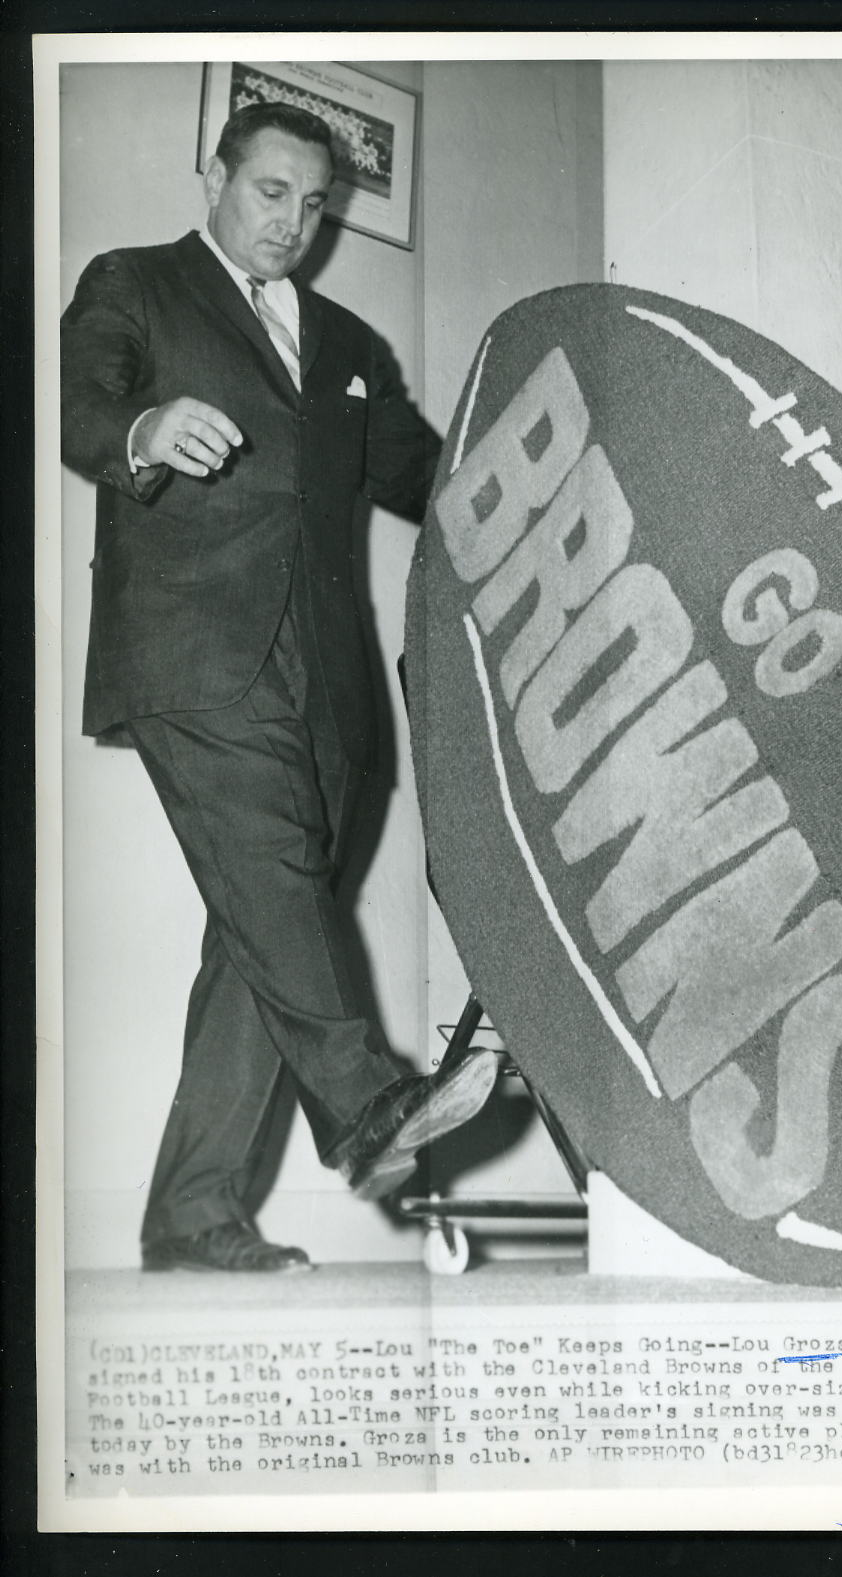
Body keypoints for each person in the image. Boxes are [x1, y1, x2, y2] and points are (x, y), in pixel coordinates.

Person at [60, 101, 497, 1274]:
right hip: (192, 653)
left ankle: (192, 1216)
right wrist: (147, 424)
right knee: (272, 886)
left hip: (331, 682)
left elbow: (430, 475)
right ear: (215, 175)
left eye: (313, 207)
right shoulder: (136, 283)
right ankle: (367, 1108)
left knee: (260, 935)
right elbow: (76, 405)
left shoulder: (349, 346)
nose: (291, 225)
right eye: (270, 194)